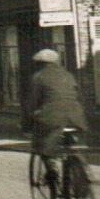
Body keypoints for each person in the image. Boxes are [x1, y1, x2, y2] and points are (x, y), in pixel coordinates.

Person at [29, 48, 89, 189]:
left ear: (39, 63)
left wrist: (27, 123)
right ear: (57, 62)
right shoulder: (68, 75)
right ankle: (80, 193)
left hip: (52, 118)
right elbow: (80, 97)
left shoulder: (38, 77)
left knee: (41, 145)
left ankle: (52, 170)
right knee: (70, 147)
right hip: (76, 117)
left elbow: (31, 103)